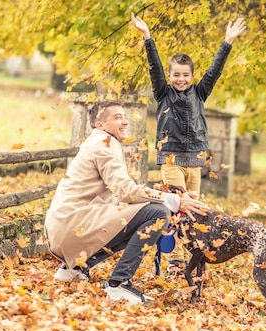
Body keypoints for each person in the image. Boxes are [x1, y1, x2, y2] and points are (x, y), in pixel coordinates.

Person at [44, 100, 209, 305]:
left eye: (125, 116)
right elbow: (125, 192)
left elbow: (122, 196)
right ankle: (118, 285)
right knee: (158, 214)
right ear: (100, 124)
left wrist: (164, 196)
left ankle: (72, 269)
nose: (125, 122)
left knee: (144, 215)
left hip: (66, 225)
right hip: (71, 224)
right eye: (117, 117)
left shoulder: (99, 142)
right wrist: (173, 201)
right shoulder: (104, 144)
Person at [131, 13, 246, 275]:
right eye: (176, 75)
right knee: (179, 207)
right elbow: (155, 68)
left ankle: (190, 258)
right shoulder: (163, 93)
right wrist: (148, 37)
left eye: (185, 75)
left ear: (192, 76)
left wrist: (227, 42)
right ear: (170, 76)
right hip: (171, 159)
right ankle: (173, 259)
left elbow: (214, 72)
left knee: (193, 212)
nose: (180, 79)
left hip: (195, 161)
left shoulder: (200, 93)